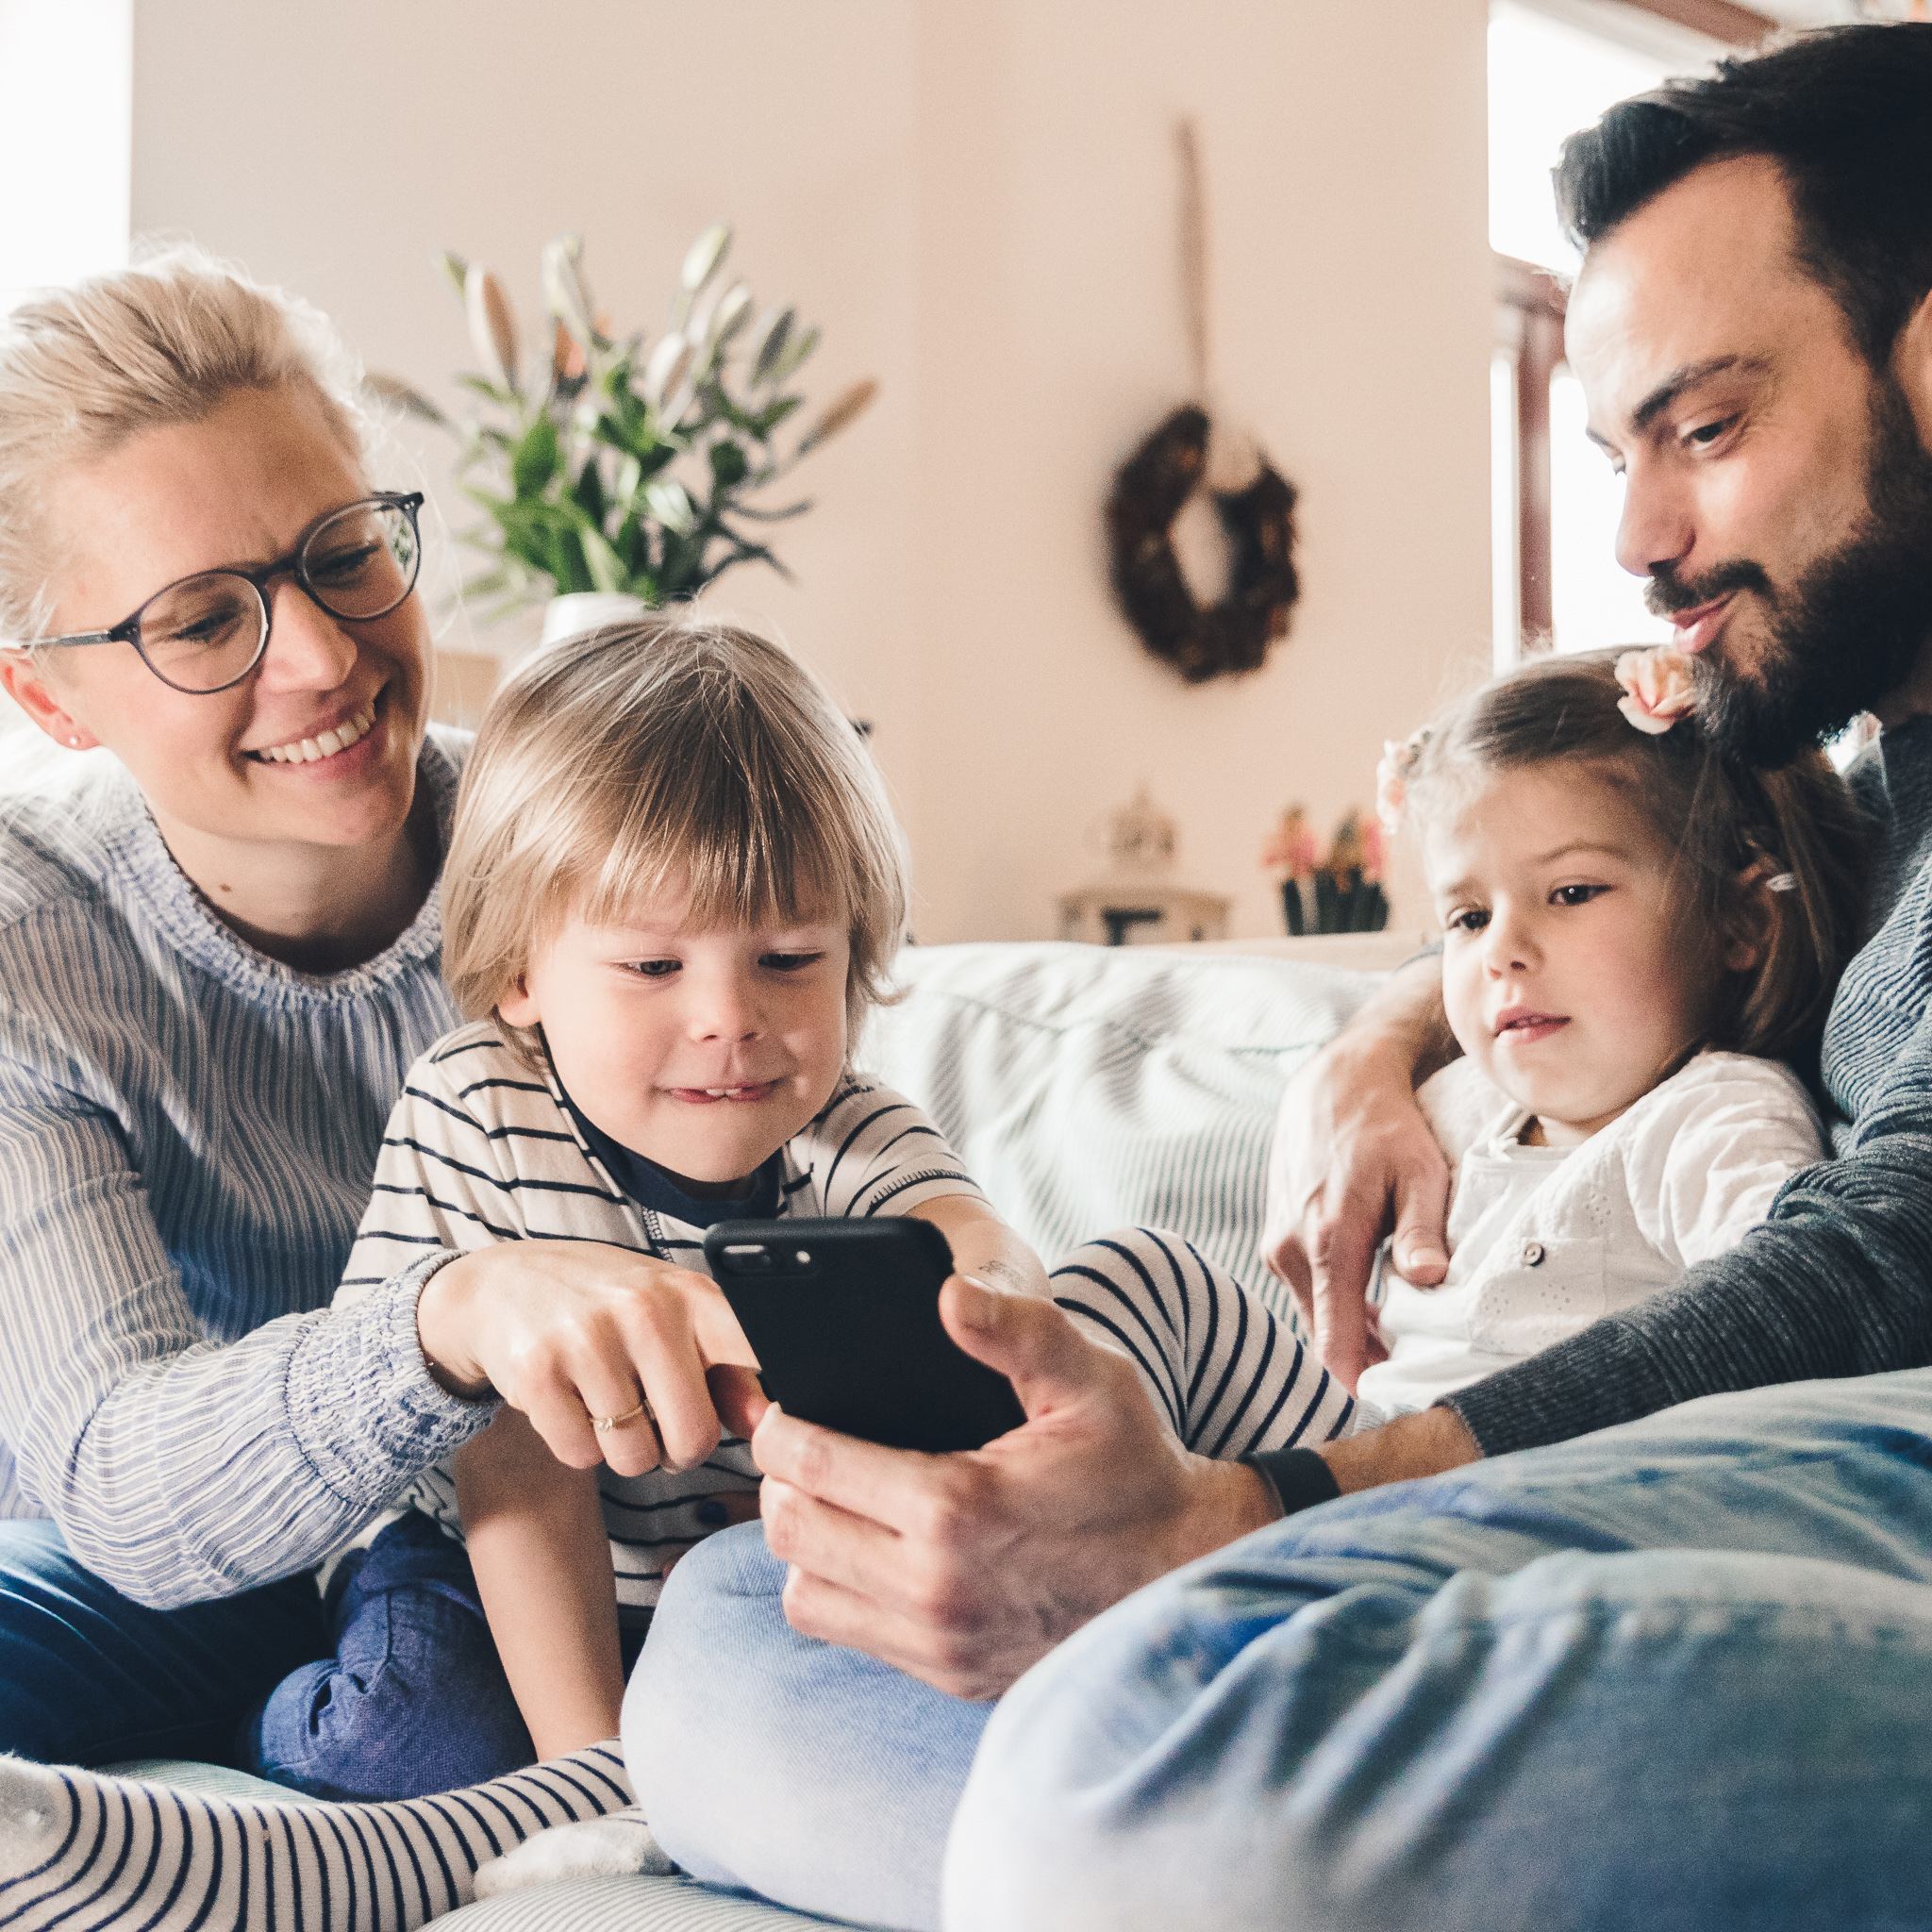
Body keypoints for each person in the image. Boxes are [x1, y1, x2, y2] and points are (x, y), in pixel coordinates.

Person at [616, 24, 1932, 1928]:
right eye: (1615, 450)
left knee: (1113, 1748)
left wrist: (1255, 1516)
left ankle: (1158, 1806)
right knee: (763, 1608)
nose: (1637, 538)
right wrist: (1387, 1045)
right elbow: (1649, 929)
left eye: (1706, 429)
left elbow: (1882, 1259)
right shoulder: (1851, 763)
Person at [0, 246, 691, 1827]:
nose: (319, 658)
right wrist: (443, 1315)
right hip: (147, 1566)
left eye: (340, 552)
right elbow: (114, 1473)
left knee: (435, 1715)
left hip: (523, 1544)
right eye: (200, 620)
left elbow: (840, 1045)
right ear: (47, 701)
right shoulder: (24, 939)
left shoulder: (565, 834)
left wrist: (1380, 1033)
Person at [246, 616, 1048, 1792]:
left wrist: (968, 1305)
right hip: (473, 1564)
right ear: (522, 969)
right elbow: (501, 1463)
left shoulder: (851, 1127)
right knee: (416, 1729)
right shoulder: (479, 1103)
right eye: (654, 966)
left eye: (787, 958)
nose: (729, 1016)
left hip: (715, 1585)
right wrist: (598, 1767)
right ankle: (300, 1720)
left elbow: (976, 1252)